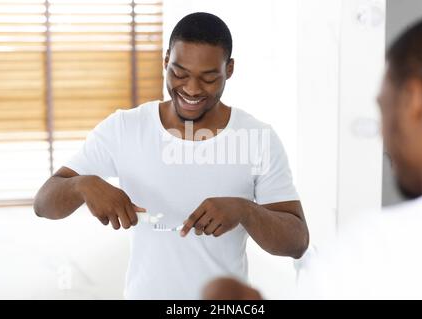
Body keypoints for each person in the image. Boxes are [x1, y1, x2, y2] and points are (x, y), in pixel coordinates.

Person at [33, 12, 309, 299]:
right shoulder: (125, 127)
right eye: (179, 73)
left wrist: (245, 210)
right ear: (165, 62)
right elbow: (43, 204)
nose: (191, 89)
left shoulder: (257, 138)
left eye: (209, 78)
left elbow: (297, 242)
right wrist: (82, 185)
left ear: (229, 69)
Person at [203, 14, 422, 300]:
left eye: (384, 108)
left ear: (413, 99)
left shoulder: (376, 253)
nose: (382, 136)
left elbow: (298, 241)